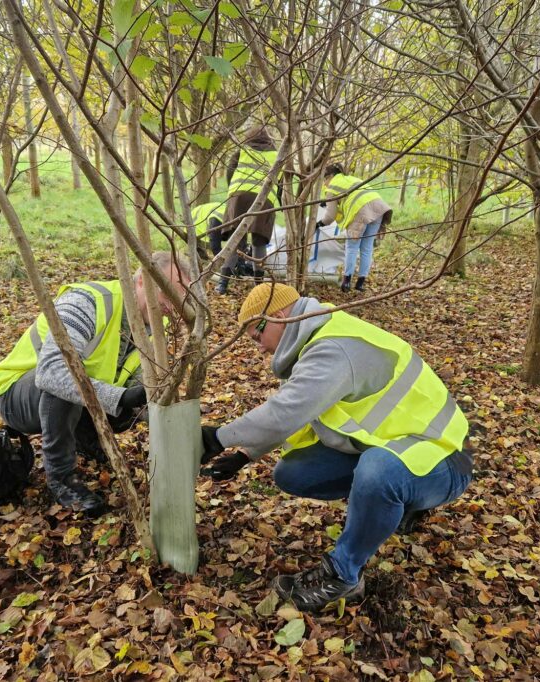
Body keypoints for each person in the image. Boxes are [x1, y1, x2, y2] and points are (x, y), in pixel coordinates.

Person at [200, 283, 474, 611]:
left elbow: (283, 413)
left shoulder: (332, 349)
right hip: (395, 448)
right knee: (293, 473)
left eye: (257, 338)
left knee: (378, 474)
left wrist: (218, 438)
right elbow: (298, 410)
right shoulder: (314, 342)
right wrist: (246, 454)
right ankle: (397, 501)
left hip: (445, 459)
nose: (260, 350)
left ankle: (344, 575)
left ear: (277, 317)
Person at [0, 252, 191, 516]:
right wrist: (120, 398)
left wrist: (179, 431)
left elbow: (141, 386)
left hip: (78, 398)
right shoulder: (89, 302)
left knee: (126, 409)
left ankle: (84, 439)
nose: (172, 306)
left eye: (179, 298)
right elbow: (51, 373)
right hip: (18, 395)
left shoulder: (154, 326)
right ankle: (62, 479)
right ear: (141, 281)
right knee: (68, 383)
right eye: (168, 293)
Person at [218, 126, 280, 295]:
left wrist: (235, 189)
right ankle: (258, 285)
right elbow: (280, 182)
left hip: (239, 197)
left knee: (236, 240)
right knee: (259, 242)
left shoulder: (243, 150)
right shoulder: (277, 155)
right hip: (264, 201)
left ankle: (222, 284)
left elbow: (230, 171)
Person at [321, 163, 393, 293]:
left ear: (330, 176)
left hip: (361, 212)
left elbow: (330, 216)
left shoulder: (331, 187)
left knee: (352, 247)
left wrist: (320, 224)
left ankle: (346, 282)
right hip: (378, 208)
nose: (324, 183)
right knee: (367, 248)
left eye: (324, 179)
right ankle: (360, 283)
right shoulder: (352, 179)